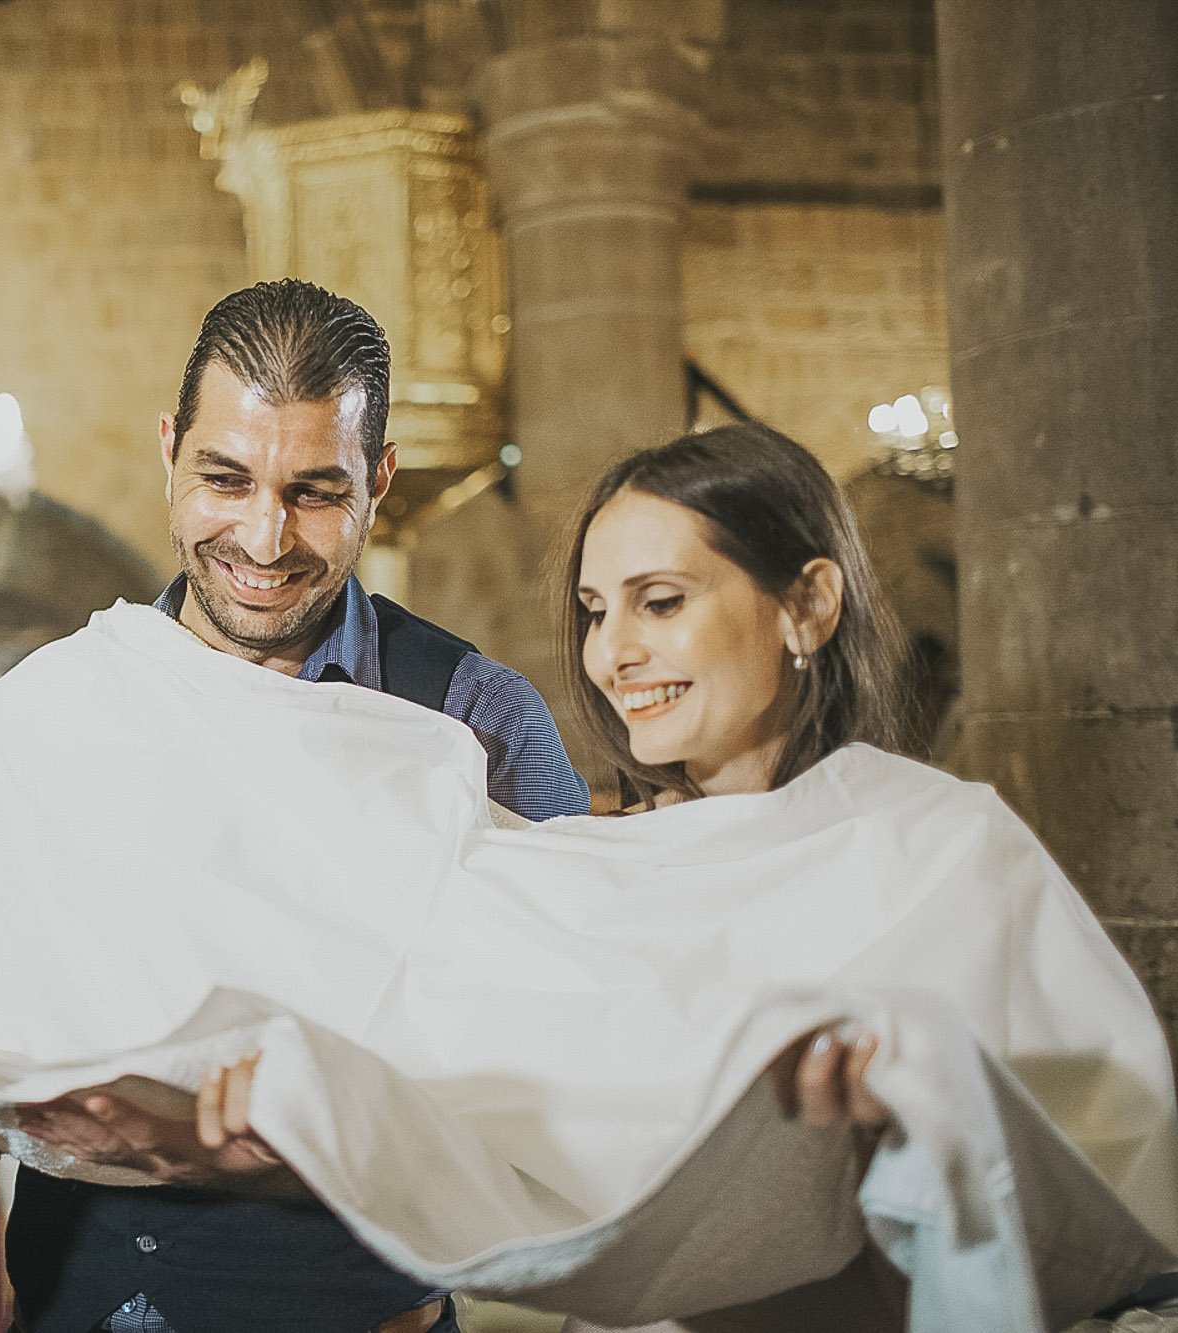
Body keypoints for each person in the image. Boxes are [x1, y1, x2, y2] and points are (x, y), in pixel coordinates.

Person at [167, 421, 1158, 1329]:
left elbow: (1096, 1212)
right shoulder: (568, 873)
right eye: (597, 610)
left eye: (661, 602)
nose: (612, 653)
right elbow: (432, 1091)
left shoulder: (943, 850)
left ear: (807, 603)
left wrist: (916, 1119)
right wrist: (293, 1096)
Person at [0, 279, 588, 1333]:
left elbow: (565, 1059)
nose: (265, 538)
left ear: (380, 480)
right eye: (224, 479)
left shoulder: (477, 722)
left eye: (316, 491)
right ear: (167, 452)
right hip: (73, 1301)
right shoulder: (58, 710)